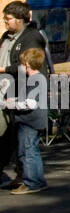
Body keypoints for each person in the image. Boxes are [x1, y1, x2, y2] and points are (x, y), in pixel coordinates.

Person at [1, 48, 49, 194]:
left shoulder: (36, 80)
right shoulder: (37, 79)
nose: (20, 67)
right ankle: (37, 180)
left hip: (30, 122)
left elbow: (30, 103)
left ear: (27, 64)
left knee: (27, 152)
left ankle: (33, 182)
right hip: (32, 121)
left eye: (21, 64)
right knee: (29, 150)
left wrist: (9, 104)